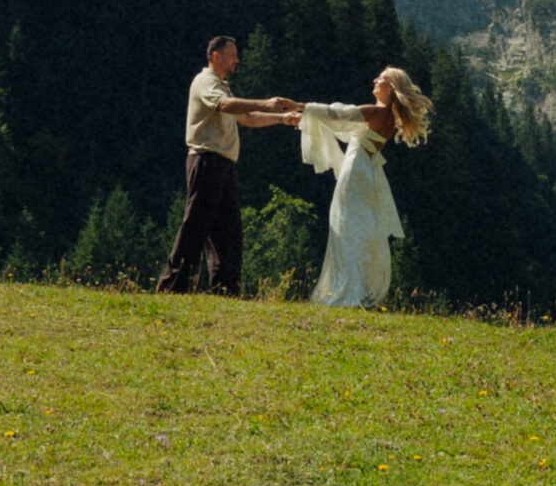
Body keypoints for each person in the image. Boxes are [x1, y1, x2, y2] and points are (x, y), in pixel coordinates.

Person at [156, 35, 300, 295]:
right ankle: (172, 286)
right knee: (196, 226)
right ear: (216, 56)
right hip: (206, 159)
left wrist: (281, 117)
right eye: (232, 54)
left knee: (228, 232)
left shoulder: (222, 85)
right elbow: (225, 106)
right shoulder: (205, 82)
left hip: (221, 163)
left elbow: (246, 117)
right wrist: (265, 102)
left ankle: (225, 290)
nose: (237, 59)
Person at [285, 66, 432, 308]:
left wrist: (301, 106)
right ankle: (358, 286)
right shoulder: (388, 118)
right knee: (358, 226)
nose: (375, 80)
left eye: (381, 79)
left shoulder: (375, 111)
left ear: (390, 88)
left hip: (355, 172)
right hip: (367, 173)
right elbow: (347, 129)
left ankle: (348, 289)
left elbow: (337, 114)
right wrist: (305, 118)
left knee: (345, 224)